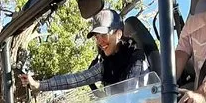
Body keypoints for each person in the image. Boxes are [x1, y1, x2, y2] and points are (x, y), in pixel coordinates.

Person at [20, 9, 149, 95]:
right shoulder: (105, 65)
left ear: (119, 34)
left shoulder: (136, 60)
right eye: (96, 37)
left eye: (103, 35)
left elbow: (131, 99)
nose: (100, 41)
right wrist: (38, 85)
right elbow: (75, 79)